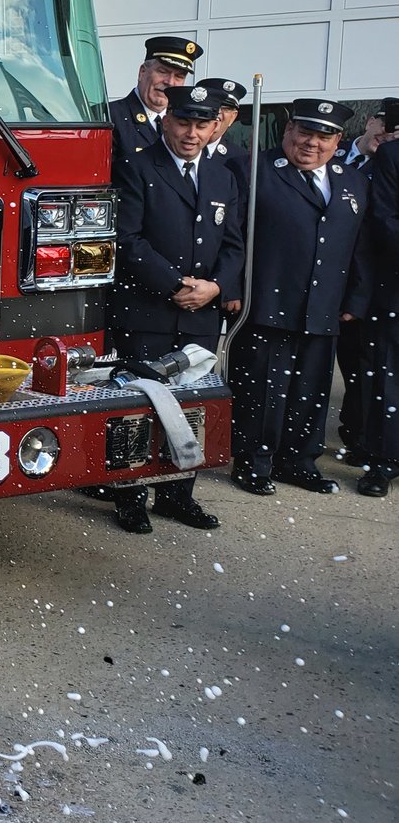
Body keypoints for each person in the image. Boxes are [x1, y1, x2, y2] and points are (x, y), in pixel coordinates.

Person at [107, 83, 243, 533]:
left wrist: (216, 286)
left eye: (201, 124)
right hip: (147, 309)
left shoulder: (223, 175)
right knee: (138, 404)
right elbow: (127, 239)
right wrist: (175, 285)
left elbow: (235, 244)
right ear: (166, 120)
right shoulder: (137, 166)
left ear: (214, 126)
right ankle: (129, 497)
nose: (191, 133)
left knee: (193, 405)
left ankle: (178, 495)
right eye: (183, 122)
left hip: (201, 312)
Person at [228, 99, 367, 496]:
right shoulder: (252, 170)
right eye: (305, 132)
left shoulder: (352, 179)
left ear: (338, 140)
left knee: (311, 390)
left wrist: (355, 299)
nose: (311, 143)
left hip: (324, 306)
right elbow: (233, 238)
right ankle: (253, 461)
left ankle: (298, 461)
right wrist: (233, 289)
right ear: (288, 130)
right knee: (261, 390)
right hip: (265, 303)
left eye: (324, 136)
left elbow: (359, 246)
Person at [334, 98, 399, 464]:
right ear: (370, 121)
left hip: (376, 279)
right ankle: (360, 433)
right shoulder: (336, 154)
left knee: (368, 367)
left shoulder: (387, 161)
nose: (389, 134)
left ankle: (363, 437)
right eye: (386, 125)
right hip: (345, 281)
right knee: (353, 364)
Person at [350, 130, 399, 497]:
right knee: (387, 379)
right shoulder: (392, 156)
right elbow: (384, 218)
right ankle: (383, 462)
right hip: (394, 288)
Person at [109, 36, 204, 160]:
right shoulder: (108, 116)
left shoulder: (186, 122)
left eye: (179, 76)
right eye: (163, 71)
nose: (170, 82)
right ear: (142, 72)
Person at [201, 77, 250, 204]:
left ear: (233, 117)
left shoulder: (241, 159)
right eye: (214, 104)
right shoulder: (176, 146)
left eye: (226, 109)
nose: (218, 113)